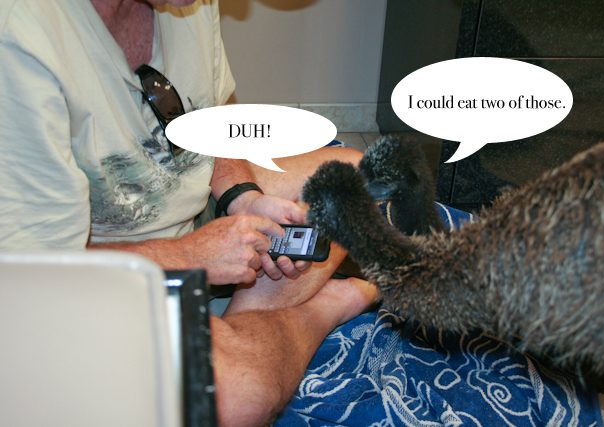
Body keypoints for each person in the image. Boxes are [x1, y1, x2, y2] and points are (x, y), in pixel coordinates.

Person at [0, 0, 378, 425]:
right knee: (232, 400)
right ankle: (321, 310)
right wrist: (189, 256)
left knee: (360, 177)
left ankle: (235, 335)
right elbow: (35, 274)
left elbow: (210, 119)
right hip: (92, 275)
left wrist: (244, 198)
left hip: (187, 212)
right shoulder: (18, 39)